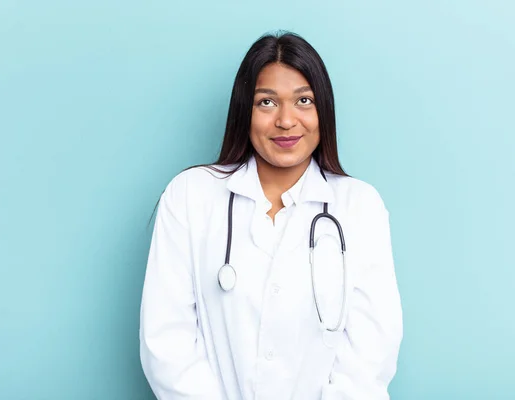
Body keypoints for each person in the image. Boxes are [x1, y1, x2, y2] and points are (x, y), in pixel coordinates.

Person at [139, 31, 403, 400]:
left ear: (323, 111)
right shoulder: (190, 196)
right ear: (243, 110)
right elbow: (167, 342)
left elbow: (369, 354)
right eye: (266, 102)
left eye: (304, 101)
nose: (285, 121)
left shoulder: (360, 207)